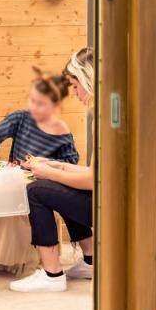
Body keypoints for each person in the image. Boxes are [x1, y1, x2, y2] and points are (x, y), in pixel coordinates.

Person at [0, 69, 79, 269]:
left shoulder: (63, 132)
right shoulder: (21, 117)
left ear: (55, 105)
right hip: (12, 179)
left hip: (38, 185)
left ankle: (17, 258)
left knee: (21, 200)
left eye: (41, 104)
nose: (34, 107)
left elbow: (70, 164)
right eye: (32, 101)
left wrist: (44, 165)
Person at [10, 47, 94, 294]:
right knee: (58, 184)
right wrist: (58, 165)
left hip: (106, 207)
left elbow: (92, 181)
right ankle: (90, 262)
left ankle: (52, 274)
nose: (74, 93)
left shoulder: (103, 119)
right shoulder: (108, 113)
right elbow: (98, 173)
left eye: (75, 86)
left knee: (37, 190)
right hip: (108, 199)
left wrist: (48, 173)